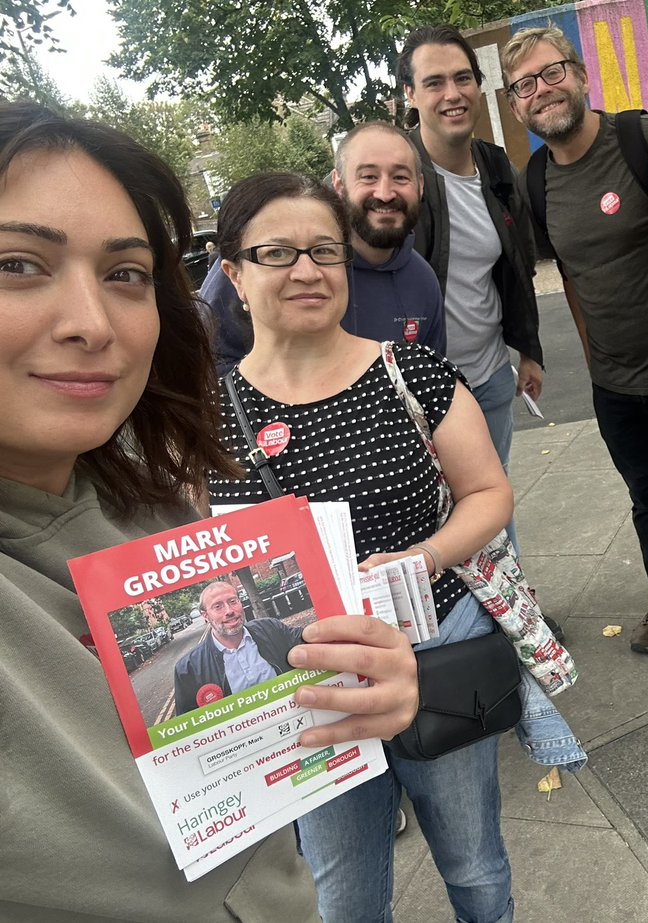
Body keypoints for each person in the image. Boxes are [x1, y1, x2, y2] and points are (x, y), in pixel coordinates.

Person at [0, 101, 417, 922]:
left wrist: (359, 694)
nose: (90, 323)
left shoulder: (155, 504)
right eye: (18, 265)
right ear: (236, 273)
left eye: (125, 274)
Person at [207, 170, 584, 923]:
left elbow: (489, 494)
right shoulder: (209, 418)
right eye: (277, 252)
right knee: (342, 894)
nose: (308, 270)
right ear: (234, 275)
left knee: (475, 864)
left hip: (435, 648)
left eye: (324, 250)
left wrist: (428, 556)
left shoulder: (409, 372)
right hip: (307, 688)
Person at [502, 26, 648, 671]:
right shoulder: (536, 180)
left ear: (579, 75)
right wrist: (592, 353)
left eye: (552, 74)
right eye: (525, 86)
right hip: (614, 380)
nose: (542, 91)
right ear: (517, 106)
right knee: (645, 495)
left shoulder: (645, 141)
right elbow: (571, 276)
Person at [398, 25, 544, 471]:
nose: (453, 93)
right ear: (410, 94)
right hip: (413, 394)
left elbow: (517, 268)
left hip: (489, 377)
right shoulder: (390, 176)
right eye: (434, 82)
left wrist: (529, 350)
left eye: (463, 78)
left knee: (493, 515)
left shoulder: (497, 167)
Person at [200, 126, 445, 375]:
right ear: (338, 183)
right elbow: (203, 368)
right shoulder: (261, 264)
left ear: (420, 186)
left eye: (401, 177)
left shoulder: (423, 282)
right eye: (368, 176)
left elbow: (428, 379)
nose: (384, 194)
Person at [173, 580, 305, 715]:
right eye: (218, 606)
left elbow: (307, 640)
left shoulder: (271, 628)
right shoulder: (188, 669)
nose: (229, 611)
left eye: (233, 601)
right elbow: (189, 725)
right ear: (205, 615)